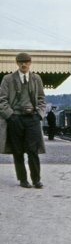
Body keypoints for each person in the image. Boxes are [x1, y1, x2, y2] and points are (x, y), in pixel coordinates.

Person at [0, 52, 47, 188]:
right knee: (18, 150)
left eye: (26, 62)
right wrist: (10, 116)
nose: (24, 64)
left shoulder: (36, 78)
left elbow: (41, 99)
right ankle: (23, 180)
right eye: (21, 62)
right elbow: (2, 100)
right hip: (15, 119)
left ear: (30, 63)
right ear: (17, 63)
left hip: (32, 118)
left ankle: (36, 180)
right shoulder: (8, 79)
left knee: (33, 150)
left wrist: (39, 114)